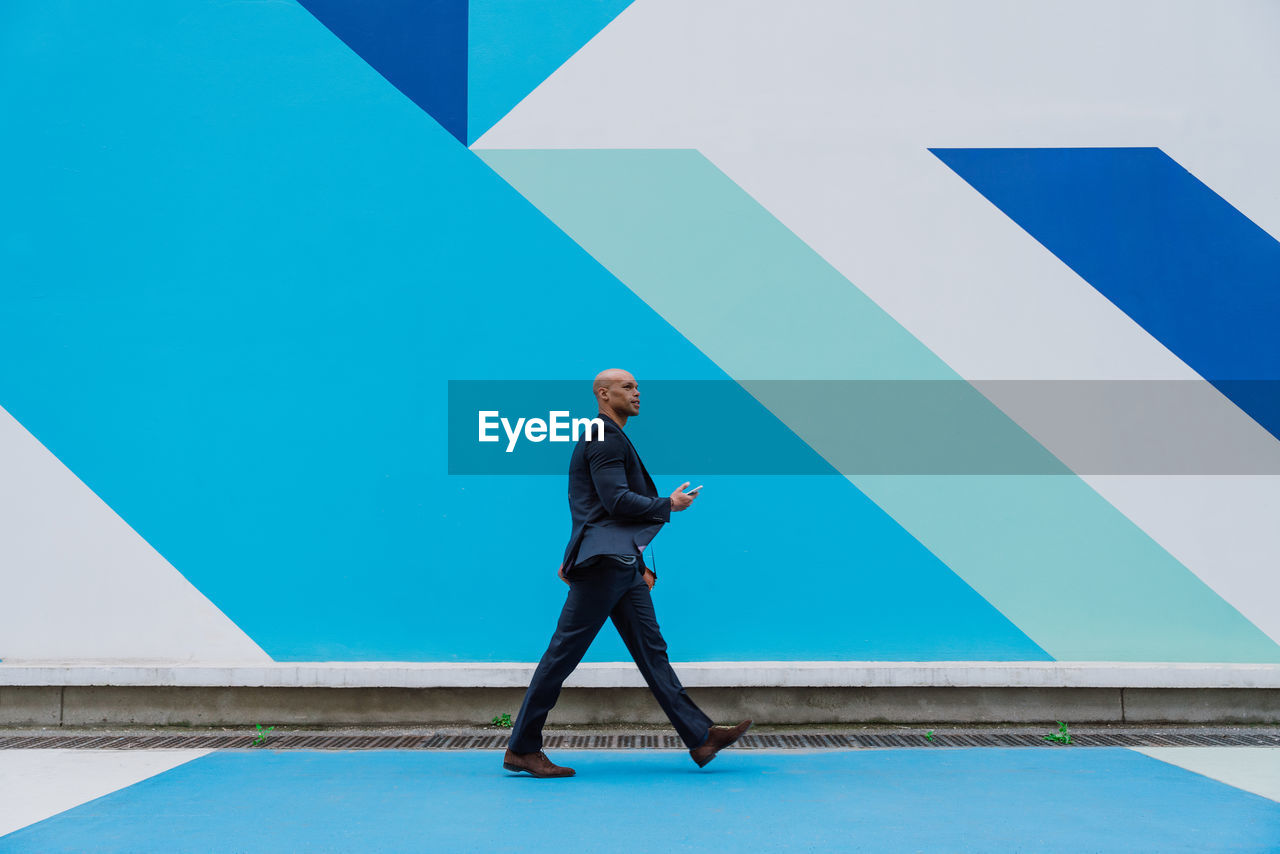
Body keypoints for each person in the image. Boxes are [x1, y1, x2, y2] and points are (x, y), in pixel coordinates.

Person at [502, 369, 751, 777]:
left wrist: (636, 565)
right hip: (604, 565)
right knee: (561, 656)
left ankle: (701, 736)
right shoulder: (603, 437)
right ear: (604, 394)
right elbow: (614, 502)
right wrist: (667, 504)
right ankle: (522, 748)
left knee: (652, 652)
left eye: (637, 386)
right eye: (628, 387)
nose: (638, 393)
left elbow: (596, 511)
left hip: (618, 564)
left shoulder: (608, 436)